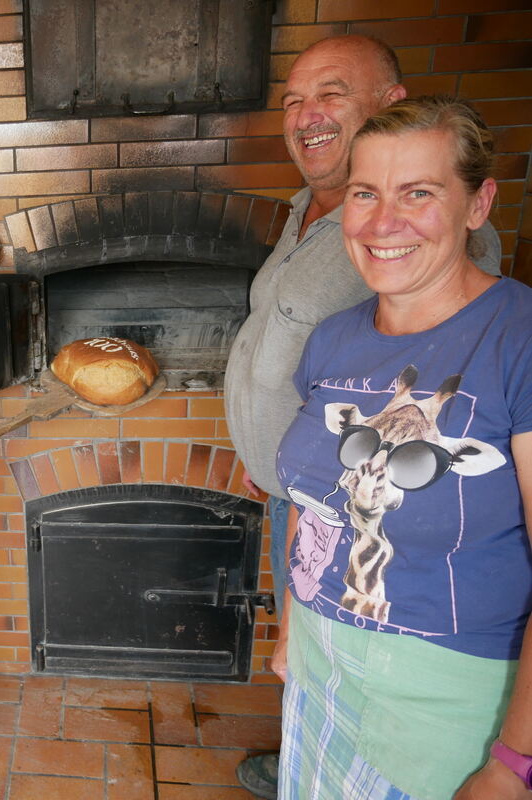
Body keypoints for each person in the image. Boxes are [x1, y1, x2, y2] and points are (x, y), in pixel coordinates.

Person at [223, 36, 501, 799]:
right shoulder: (307, 215)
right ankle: (307, 752)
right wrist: (265, 453)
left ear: (388, 103)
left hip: (381, 531)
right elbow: (303, 364)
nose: (305, 114)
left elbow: (451, 378)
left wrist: (512, 764)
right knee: (309, 666)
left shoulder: (486, 313)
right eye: (292, 101)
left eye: (330, 94)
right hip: (299, 497)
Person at [274, 95, 532, 799]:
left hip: (448, 696)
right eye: (365, 193)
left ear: (478, 204)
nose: (383, 222)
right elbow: (313, 498)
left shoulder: (516, 338)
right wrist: (292, 622)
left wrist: (514, 763)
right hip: (321, 665)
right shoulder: (334, 338)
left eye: (417, 193)